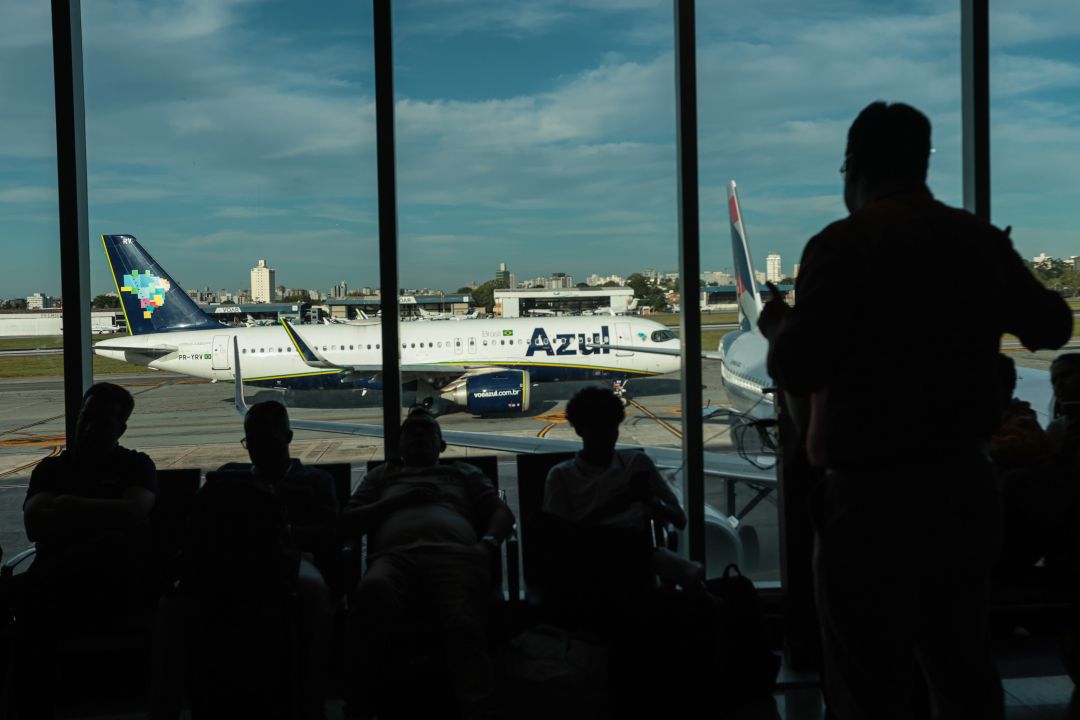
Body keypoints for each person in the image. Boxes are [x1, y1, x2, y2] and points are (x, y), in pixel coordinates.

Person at [758, 101, 1072, 719]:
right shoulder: (974, 240)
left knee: (867, 680)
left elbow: (796, 368)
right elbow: (1052, 326)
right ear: (922, 164)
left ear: (854, 166)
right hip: (963, 488)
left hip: (869, 497)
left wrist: (779, 327)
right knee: (962, 669)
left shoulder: (842, 244)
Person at [339, 407, 515, 720]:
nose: (419, 434)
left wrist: (487, 546)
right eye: (412, 430)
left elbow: (501, 513)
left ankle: (479, 707)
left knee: (462, 622)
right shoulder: (382, 476)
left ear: (442, 445)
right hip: (395, 559)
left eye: (426, 430)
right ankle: (362, 704)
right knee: (372, 593)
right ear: (399, 445)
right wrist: (399, 501)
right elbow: (347, 521)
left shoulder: (463, 472)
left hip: (455, 556)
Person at [16, 382, 157, 719]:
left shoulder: (135, 464)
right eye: (86, 417)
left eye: (102, 422)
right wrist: (106, 511)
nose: (90, 428)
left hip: (95, 581)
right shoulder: (52, 468)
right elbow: (34, 523)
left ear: (120, 429)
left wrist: (66, 503)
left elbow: (134, 512)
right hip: (83, 583)